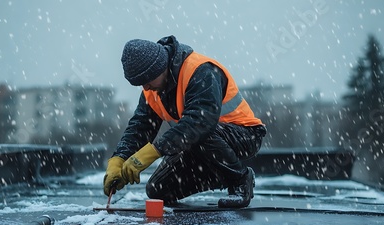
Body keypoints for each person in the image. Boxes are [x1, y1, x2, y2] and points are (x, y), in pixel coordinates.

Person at [103, 35, 266, 208]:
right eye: (140, 84)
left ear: (159, 68)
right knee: (157, 190)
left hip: (244, 136)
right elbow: (140, 128)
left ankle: (240, 179)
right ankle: (220, 174)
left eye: (147, 81)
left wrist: (154, 151)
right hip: (200, 144)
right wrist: (118, 160)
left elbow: (200, 122)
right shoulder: (153, 90)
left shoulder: (200, 71)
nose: (145, 88)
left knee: (196, 132)